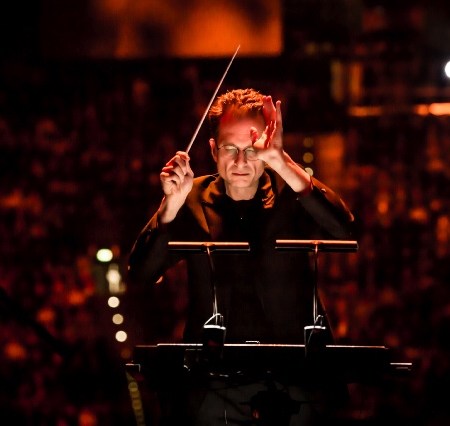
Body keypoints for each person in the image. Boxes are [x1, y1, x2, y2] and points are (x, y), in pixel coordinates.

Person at [127, 88, 355, 425]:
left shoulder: (291, 190)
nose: (240, 162)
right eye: (230, 149)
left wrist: (282, 161)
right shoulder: (190, 197)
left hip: (296, 380)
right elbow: (141, 274)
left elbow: (346, 231)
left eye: (252, 149)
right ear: (212, 149)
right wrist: (169, 206)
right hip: (212, 384)